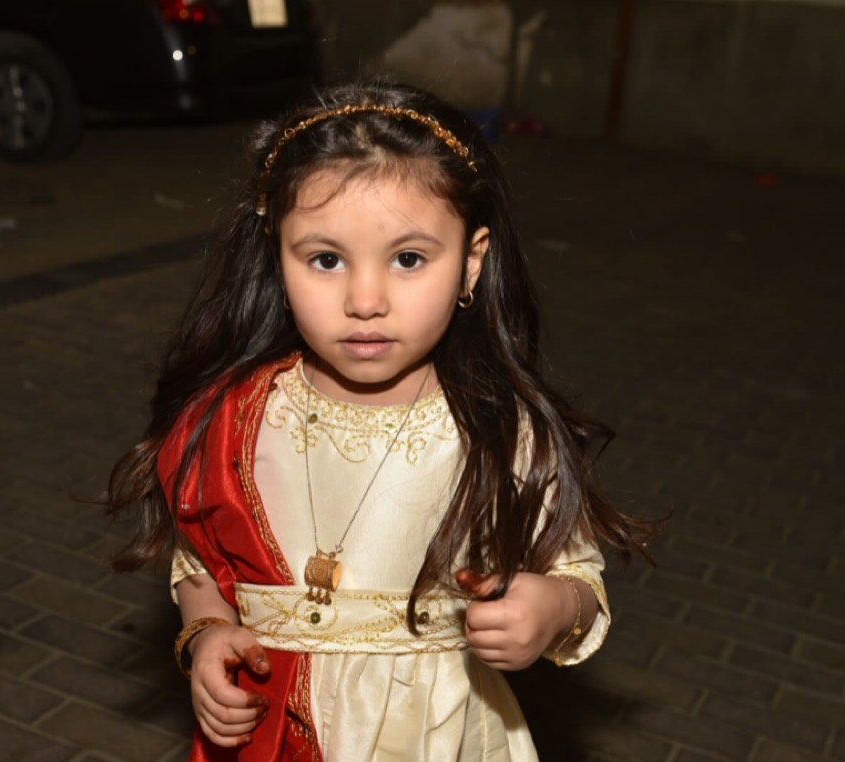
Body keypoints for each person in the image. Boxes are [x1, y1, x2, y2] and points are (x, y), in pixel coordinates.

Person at [106, 81, 656, 761]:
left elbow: (578, 575)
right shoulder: (232, 421)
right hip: (276, 736)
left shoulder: (496, 429)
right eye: (326, 259)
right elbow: (201, 560)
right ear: (277, 259)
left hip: (438, 737)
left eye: (408, 259)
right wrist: (207, 634)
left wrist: (552, 610)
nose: (365, 300)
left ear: (471, 263)